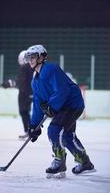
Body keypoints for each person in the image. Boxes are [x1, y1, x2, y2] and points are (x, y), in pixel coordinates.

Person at [24, 44, 94, 177]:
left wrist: (52, 106)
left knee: (54, 130)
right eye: (29, 58)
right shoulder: (35, 81)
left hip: (72, 105)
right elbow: (38, 103)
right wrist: (34, 125)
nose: (30, 60)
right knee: (67, 136)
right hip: (62, 107)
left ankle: (59, 162)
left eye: (33, 57)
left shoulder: (51, 69)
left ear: (41, 57)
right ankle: (85, 163)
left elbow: (62, 90)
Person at [2, 50, 33, 139]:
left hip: (25, 93)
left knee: (24, 111)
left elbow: (20, 81)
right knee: (26, 111)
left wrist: (9, 83)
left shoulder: (25, 67)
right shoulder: (31, 67)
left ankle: (28, 131)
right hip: (30, 92)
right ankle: (29, 130)